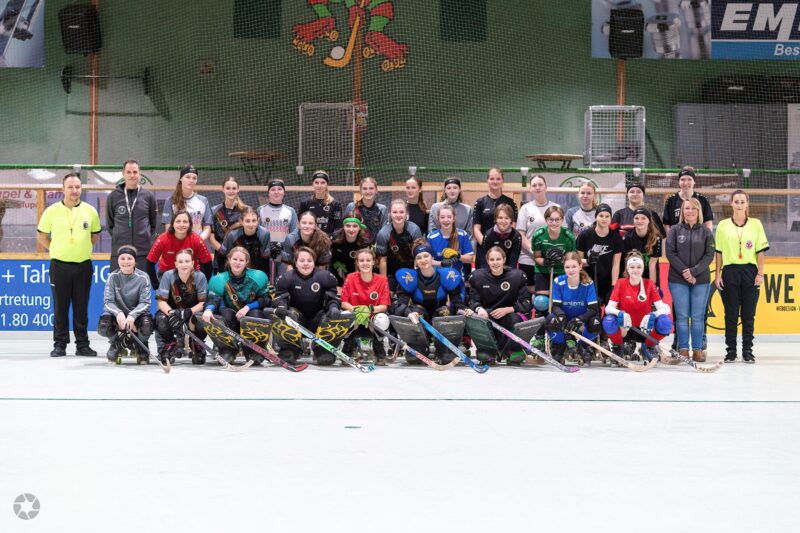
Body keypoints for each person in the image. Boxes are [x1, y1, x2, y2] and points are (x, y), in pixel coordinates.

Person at [36, 173, 102, 357]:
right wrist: (55, 248)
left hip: (83, 266)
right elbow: (41, 236)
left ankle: (82, 345)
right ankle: (60, 344)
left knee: (81, 307)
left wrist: (80, 248)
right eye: (70, 187)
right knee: (60, 307)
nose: (74, 190)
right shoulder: (51, 211)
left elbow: (95, 236)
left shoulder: (90, 211)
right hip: (59, 266)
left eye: (77, 187)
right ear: (63, 189)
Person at [392, 239, 468, 364]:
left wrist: (465, 310)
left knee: (445, 310)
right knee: (416, 310)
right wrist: (408, 313)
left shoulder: (446, 275)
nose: (423, 260)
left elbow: (457, 301)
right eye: (419, 257)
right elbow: (401, 304)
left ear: (432, 257)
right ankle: (419, 345)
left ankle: (443, 347)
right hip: (420, 317)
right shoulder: (409, 277)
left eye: (426, 256)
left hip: (440, 317)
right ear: (415, 261)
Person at [714, 190, 769, 363]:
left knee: (748, 315)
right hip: (730, 272)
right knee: (730, 314)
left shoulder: (756, 224)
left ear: (747, 204)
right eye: (736, 201)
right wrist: (717, 274)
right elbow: (719, 253)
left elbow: (760, 252)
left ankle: (747, 351)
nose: (739, 205)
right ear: (731, 203)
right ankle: (731, 351)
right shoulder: (723, 225)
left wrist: (760, 273)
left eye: (742, 202)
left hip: (750, 272)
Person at [270, 247, 342, 365]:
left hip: (318, 319)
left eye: (309, 260)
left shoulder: (326, 277)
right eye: (302, 260)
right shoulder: (286, 278)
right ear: (296, 262)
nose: (306, 264)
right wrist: (281, 306)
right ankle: (290, 349)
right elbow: (280, 298)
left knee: (332, 313)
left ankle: (322, 349)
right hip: (296, 320)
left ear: (314, 262)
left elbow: (332, 298)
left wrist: (333, 307)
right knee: (284, 313)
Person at [666, 198, 715, 363]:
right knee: (681, 316)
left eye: (694, 208)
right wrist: (685, 272)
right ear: (682, 211)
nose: (690, 211)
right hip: (677, 279)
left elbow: (709, 255)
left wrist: (693, 271)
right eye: (687, 208)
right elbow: (670, 253)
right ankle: (683, 350)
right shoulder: (674, 230)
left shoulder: (706, 231)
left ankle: (697, 350)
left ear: (698, 211)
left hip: (700, 279)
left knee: (697, 316)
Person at [202, 247, 271, 364]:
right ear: (229, 259)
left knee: (255, 315)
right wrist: (208, 310)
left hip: (250, 314)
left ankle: (253, 350)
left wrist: (248, 307)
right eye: (235, 259)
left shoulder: (258, 277)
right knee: (224, 314)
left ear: (246, 262)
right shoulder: (218, 279)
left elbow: (266, 299)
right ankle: (228, 350)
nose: (237, 263)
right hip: (230, 317)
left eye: (241, 260)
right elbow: (213, 299)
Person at [466, 246, 532, 365]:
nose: (495, 263)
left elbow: (527, 304)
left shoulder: (517, 276)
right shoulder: (477, 277)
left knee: (515, 318)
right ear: (487, 261)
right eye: (492, 259)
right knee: (478, 319)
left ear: (504, 259)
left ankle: (512, 349)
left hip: (508, 317)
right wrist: (479, 309)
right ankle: (489, 350)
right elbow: (472, 300)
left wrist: (509, 309)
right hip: (487, 316)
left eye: (498, 259)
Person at [603, 252, 673, 362]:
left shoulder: (649, 284)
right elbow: (608, 308)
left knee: (665, 322)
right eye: (632, 267)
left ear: (643, 268)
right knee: (609, 321)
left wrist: (653, 314)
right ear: (627, 269)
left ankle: (648, 347)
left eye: (639, 267)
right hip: (625, 329)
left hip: (644, 329)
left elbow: (665, 308)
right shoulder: (620, 283)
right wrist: (619, 313)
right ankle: (618, 347)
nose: (635, 270)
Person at [544, 252, 601, 366]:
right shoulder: (558, 281)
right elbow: (555, 306)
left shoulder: (588, 283)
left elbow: (593, 309)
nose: (571, 270)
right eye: (567, 267)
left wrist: (580, 319)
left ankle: (583, 345)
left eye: (574, 266)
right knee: (551, 320)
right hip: (565, 317)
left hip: (581, 319)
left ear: (580, 266)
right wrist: (561, 315)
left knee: (595, 323)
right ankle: (560, 346)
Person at [97, 245, 153, 362]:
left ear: (134, 261)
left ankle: (141, 344)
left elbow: (145, 302)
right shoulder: (112, 277)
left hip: (137, 315)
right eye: (122, 258)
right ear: (118, 260)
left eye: (129, 258)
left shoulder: (143, 277)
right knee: (104, 325)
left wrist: (133, 315)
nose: (126, 262)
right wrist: (118, 313)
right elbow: (108, 302)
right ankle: (117, 344)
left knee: (147, 325)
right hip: (118, 316)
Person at [154, 248, 208, 364]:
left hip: (193, 313)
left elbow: (203, 303)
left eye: (187, 261)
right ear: (176, 264)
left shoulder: (200, 277)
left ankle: (197, 344)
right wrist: (171, 313)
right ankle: (169, 344)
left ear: (193, 263)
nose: (184, 265)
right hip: (173, 312)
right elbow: (161, 302)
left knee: (203, 318)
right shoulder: (168, 276)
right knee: (160, 319)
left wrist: (189, 312)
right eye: (180, 262)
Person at [340, 248, 391, 365]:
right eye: (361, 260)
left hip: (372, 322)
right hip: (356, 320)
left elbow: (384, 306)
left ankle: (378, 347)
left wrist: (369, 310)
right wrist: (357, 311)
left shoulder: (382, 280)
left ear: (373, 262)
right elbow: (344, 303)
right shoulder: (350, 277)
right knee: (344, 315)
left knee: (383, 319)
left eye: (368, 260)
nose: (365, 263)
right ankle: (349, 346)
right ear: (357, 263)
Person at [105, 159, 158, 271]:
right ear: (123, 174)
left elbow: (153, 224)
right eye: (128, 172)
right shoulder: (113, 197)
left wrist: (145, 238)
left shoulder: (148, 196)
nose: (132, 175)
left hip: (143, 254)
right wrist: (119, 237)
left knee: (143, 282)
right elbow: (110, 225)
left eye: (135, 172)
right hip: (120, 253)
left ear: (139, 174)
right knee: (118, 282)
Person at [146, 210, 213, 288]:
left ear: (190, 224)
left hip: (190, 274)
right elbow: (149, 263)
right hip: (167, 273)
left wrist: (204, 283)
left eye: (185, 221)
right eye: (178, 221)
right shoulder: (162, 239)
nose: (181, 224)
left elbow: (208, 263)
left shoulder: (197, 240)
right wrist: (156, 284)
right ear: (172, 224)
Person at [517, 174, 559, 291]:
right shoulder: (525, 208)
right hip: (528, 259)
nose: (537, 187)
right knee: (528, 292)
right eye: (534, 185)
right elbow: (520, 235)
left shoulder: (556, 207)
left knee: (548, 294)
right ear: (530, 189)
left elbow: (562, 233)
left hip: (550, 260)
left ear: (546, 187)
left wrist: (550, 253)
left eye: (540, 184)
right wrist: (535, 251)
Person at [576, 203, 623, 306]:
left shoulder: (616, 237)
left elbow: (616, 264)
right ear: (596, 217)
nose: (604, 219)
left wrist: (614, 286)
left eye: (607, 216)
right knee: (593, 311)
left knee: (610, 310)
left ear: (611, 218)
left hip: (608, 282)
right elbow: (578, 262)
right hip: (589, 280)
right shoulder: (584, 235)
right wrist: (588, 261)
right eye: (601, 216)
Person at [530, 206, 576, 306]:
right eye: (550, 219)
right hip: (543, 270)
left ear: (562, 220)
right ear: (546, 220)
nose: (554, 223)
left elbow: (571, 259)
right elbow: (537, 257)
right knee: (541, 302)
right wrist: (545, 262)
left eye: (557, 220)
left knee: (562, 301)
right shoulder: (538, 235)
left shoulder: (569, 237)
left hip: (562, 270)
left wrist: (562, 259)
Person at [473, 167, 517, 268]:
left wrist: (500, 248)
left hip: (504, 250)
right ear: (487, 180)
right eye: (492, 179)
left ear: (503, 181)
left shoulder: (510, 202)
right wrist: (487, 245)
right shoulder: (480, 202)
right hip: (484, 251)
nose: (495, 181)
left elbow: (512, 227)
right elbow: (476, 229)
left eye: (498, 179)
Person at [375, 199, 423, 290]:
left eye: (401, 212)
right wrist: (383, 283)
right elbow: (383, 261)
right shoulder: (383, 233)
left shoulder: (414, 230)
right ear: (390, 214)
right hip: (391, 272)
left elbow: (418, 256)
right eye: (395, 212)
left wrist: (417, 276)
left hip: (410, 270)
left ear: (406, 214)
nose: (398, 215)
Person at [256, 179, 298, 280]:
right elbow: (257, 232)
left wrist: (283, 248)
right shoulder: (260, 210)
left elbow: (295, 233)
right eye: (273, 189)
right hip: (265, 253)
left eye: (279, 189)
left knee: (282, 281)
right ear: (268, 192)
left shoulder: (290, 211)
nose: (276, 192)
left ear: (284, 192)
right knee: (266, 282)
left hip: (284, 253)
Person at [162, 164, 212, 242]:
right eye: (188, 177)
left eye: (194, 178)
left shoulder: (203, 201)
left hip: (196, 244)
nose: (191, 180)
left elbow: (207, 228)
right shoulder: (170, 201)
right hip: (177, 244)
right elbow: (168, 228)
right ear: (181, 178)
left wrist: (197, 241)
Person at [209, 176, 248, 273]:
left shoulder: (246, 210)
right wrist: (223, 250)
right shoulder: (214, 211)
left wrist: (238, 253)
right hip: (221, 257)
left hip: (241, 257)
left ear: (238, 189)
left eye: (234, 188)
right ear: (222, 189)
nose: (231, 191)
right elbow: (211, 237)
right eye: (228, 188)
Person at [218, 207, 272, 274]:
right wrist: (223, 275)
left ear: (258, 220)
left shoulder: (264, 234)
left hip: (256, 272)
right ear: (241, 221)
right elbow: (222, 256)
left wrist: (264, 277)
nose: (251, 224)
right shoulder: (233, 235)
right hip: (236, 271)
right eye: (247, 221)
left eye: (254, 220)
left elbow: (265, 260)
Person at [662, 167, 714, 233]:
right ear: (679, 182)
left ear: (694, 182)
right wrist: (671, 238)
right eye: (682, 179)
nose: (686, 183)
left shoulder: (702, 199)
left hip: (698, 238)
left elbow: (708, 223)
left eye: (689, 179)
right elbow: (666, 224)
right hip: (677, 238)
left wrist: (707, 237)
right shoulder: (671, 200)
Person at [427, 203, 474, 274]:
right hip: (438, 276)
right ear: (438, 219)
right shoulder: (431, 237)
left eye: (449, 217)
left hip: (458, 275)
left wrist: (458, 256)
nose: (446, 220)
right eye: (442, 217)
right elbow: (428, 260)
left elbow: (470, 259)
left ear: (454, 218)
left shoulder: (462, 235)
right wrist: (441, 263)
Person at [622, 207, 662, 283]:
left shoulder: (656, 238)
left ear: (649, 220)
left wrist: (652, 285)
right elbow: (627, 262)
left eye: (643, 218)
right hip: (632, 274)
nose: (639, 221)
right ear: (633, 220)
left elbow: (652, 264)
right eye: (636, 218)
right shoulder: (627, 237)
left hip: (649, 275)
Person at [330, 213, 371, 286]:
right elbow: (329, 260)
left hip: (357, 270)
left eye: (355, 226)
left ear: (360, 227)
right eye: (348, 226)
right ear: (343, 226)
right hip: (337, 270)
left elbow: (365, 264)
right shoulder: (334, 238)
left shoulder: (364, 242)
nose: (351, 229)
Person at [344, 176, 388, 244]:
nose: (368, 191)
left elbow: (383, 233)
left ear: (376, 190)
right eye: (364, 188)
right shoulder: (352, 207)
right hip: (355, 246)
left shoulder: (382, 209)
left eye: (371, 188)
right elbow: (345, 228)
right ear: (360, 191)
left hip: (375, 247)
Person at [475, 204, 521, 269]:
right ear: (495, 219)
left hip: (508, 270)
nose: (503, 221)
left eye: (506, 218)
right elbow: (485, 262)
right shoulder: (488, 235)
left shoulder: (516, 236)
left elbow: (513, 264)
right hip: (491, 270)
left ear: (511, 220)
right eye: (500, 218)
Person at [299, 170, 342, 236]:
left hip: (328, 241)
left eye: (322, 183)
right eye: (316, 182)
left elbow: (338, 228)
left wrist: (328, 238)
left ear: (327, 184)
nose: (319, 186)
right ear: (312, 184)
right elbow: (300, 226)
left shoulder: (336, 205)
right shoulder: (304, 204)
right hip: (309, 240)